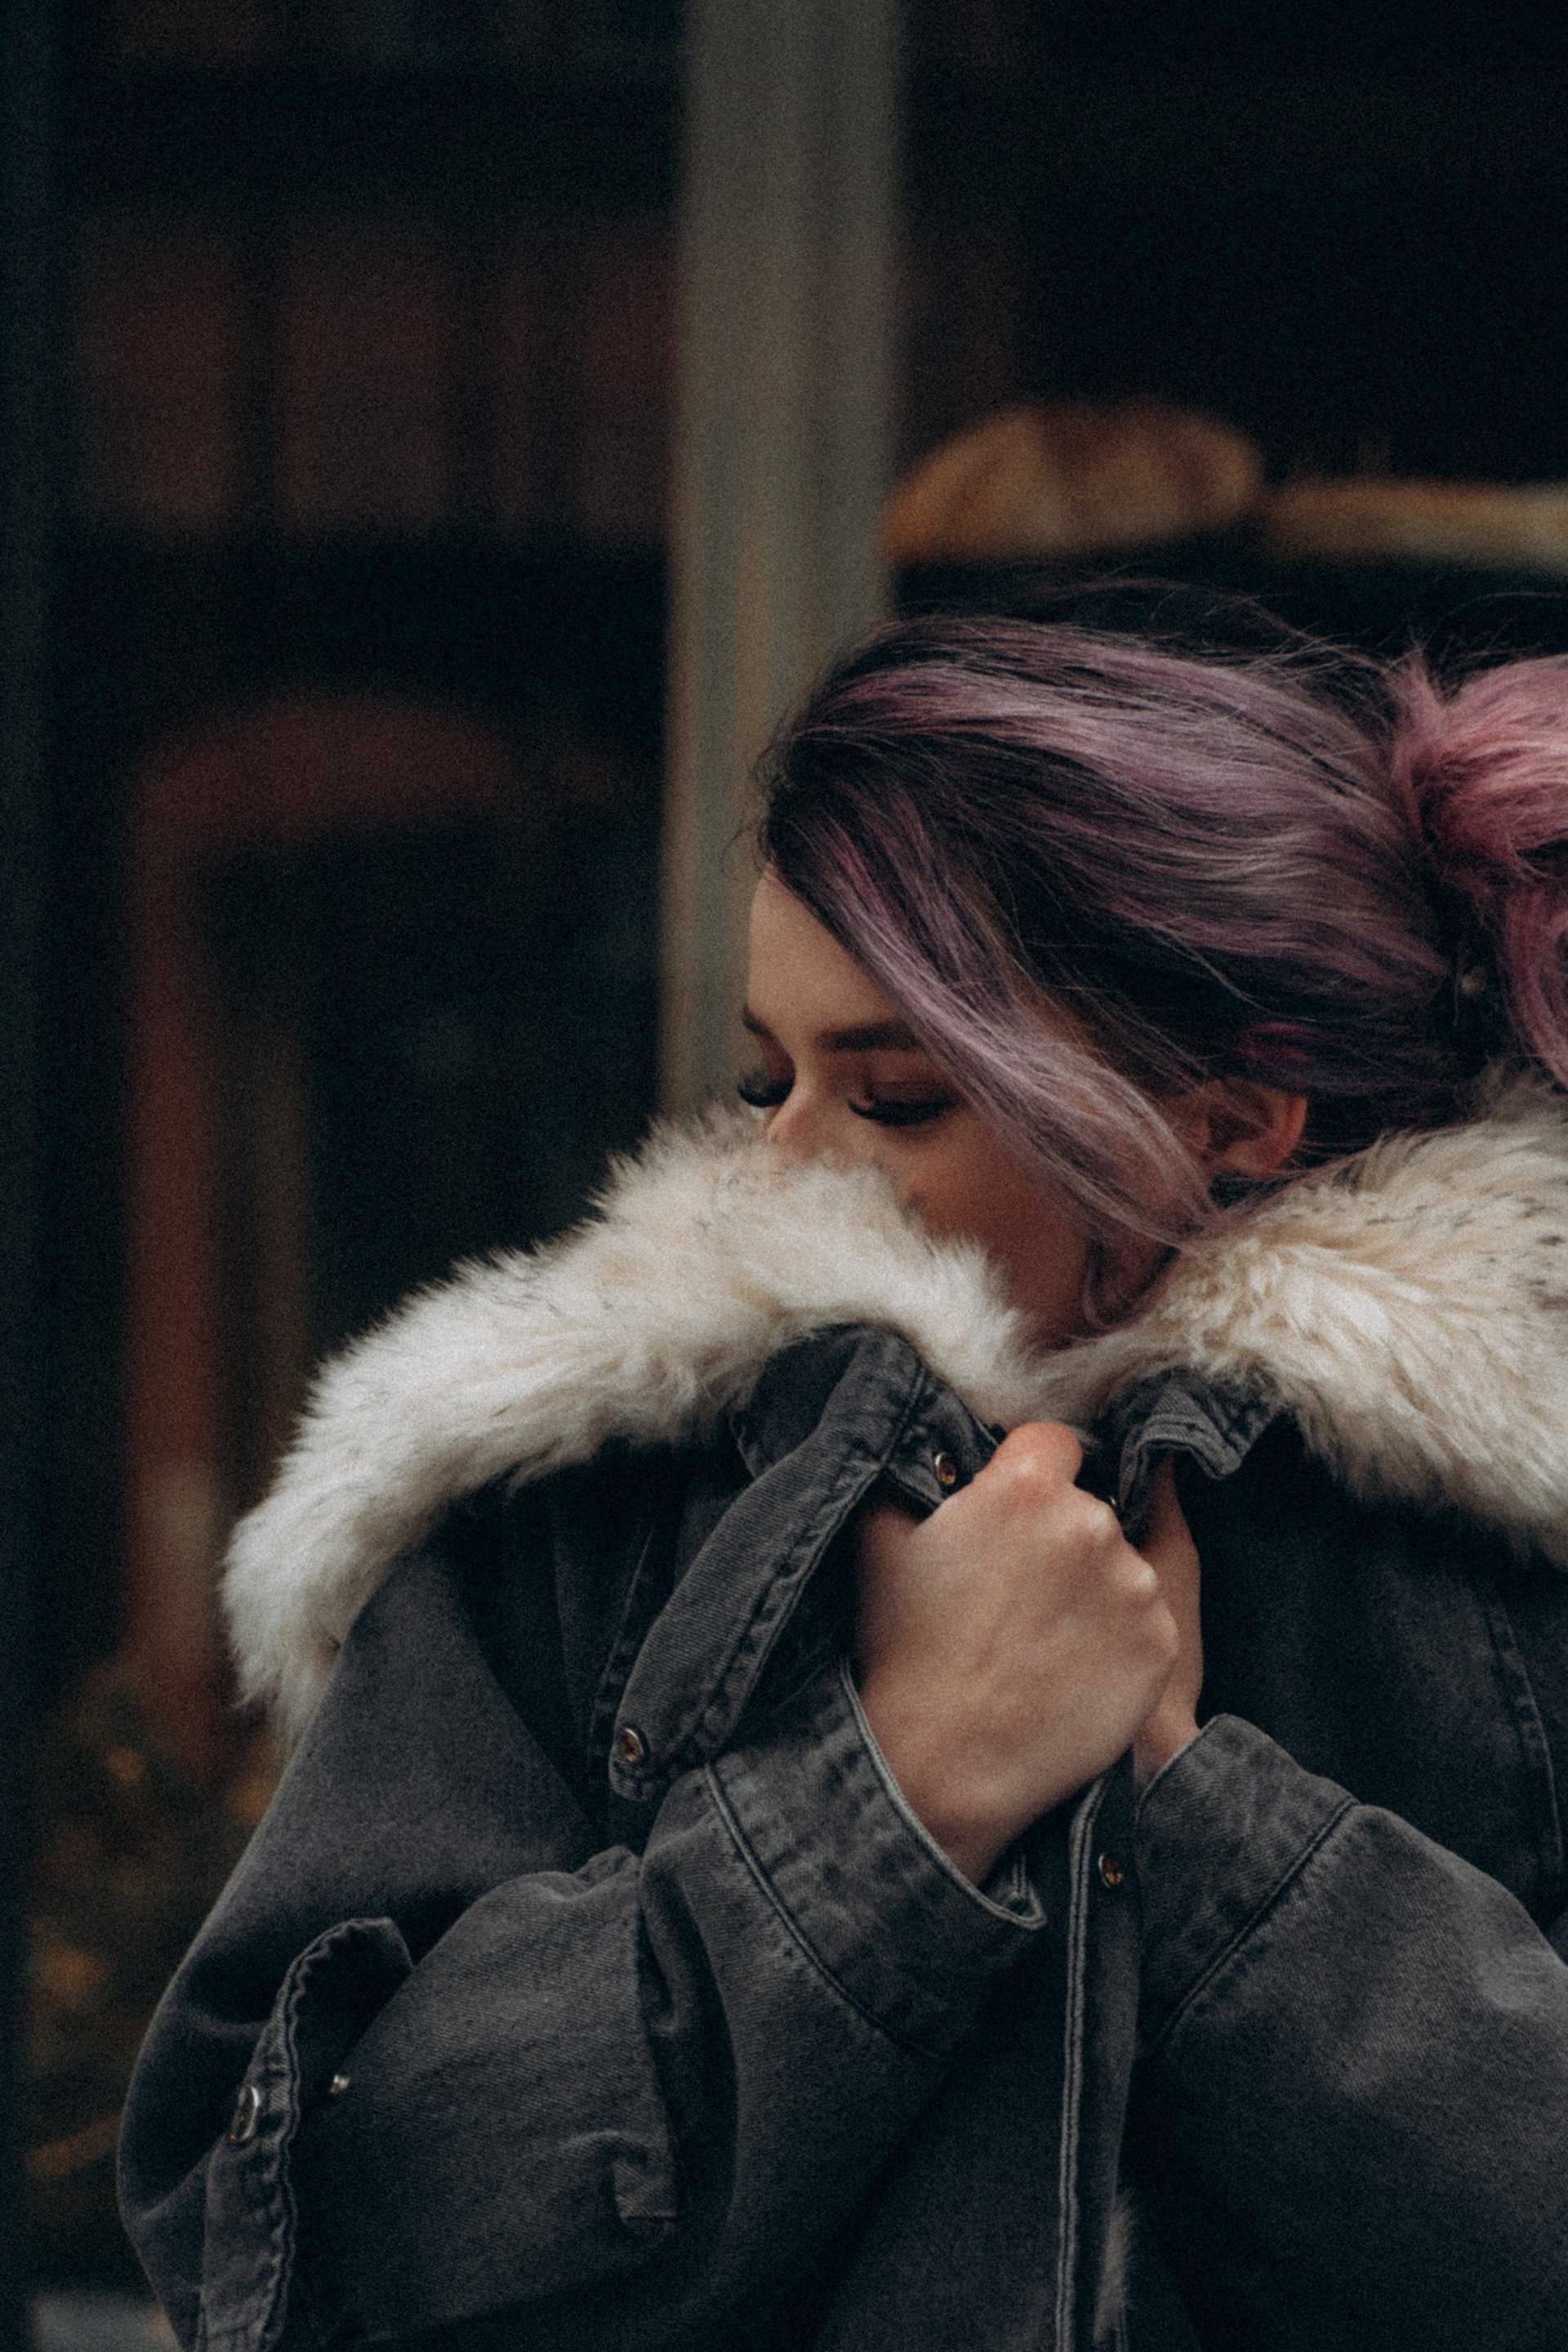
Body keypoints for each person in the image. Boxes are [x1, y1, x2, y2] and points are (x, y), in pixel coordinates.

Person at [119, 613, 1568, 2351]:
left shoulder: (1494, 1544)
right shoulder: (594, 1490)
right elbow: (271, 2246)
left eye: (891, 1097)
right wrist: (900, 1799)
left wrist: (1202, 1823)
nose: (779, 1168)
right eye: (766, 1076)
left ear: (1233, 1123)